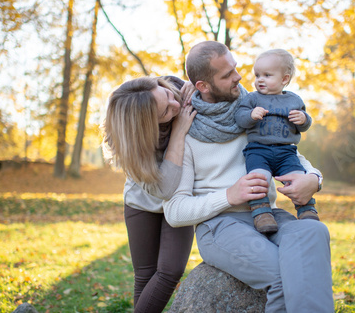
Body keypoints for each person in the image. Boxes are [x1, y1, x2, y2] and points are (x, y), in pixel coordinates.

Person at [163, 41, 333, 312]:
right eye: (227, 74)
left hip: (270, 217)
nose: (239, 77)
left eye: (236, 69)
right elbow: (174, 211)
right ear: (203, 86)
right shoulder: (187, 131)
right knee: (286, 274)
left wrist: (314, 179)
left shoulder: (253, 110)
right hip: (221, 225)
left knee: (314, 229)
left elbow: (290, 154)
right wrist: (230, 195)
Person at [101, 76, 196, 313]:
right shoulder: (127, 142)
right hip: (142, 202)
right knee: (144, 274)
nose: (176, 106)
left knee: (170, 270)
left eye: (168, 96)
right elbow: (163, 188)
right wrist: (179, 131)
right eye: (165, 113)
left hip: (179, 198)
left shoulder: (175, 88)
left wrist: (201, 85)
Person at [235, 48, 320, 234]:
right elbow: (240, 118)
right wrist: (251, 115)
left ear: (284, 79)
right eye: (257, 75)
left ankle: (306, 209)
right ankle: (261, 213)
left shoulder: (294, 100)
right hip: (258, 149)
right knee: (259, 179)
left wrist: (303, 119)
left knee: (298, 177)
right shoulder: (252, 98)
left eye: (267, 75)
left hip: (286, 151)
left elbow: (304, 125)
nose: (260, 79)